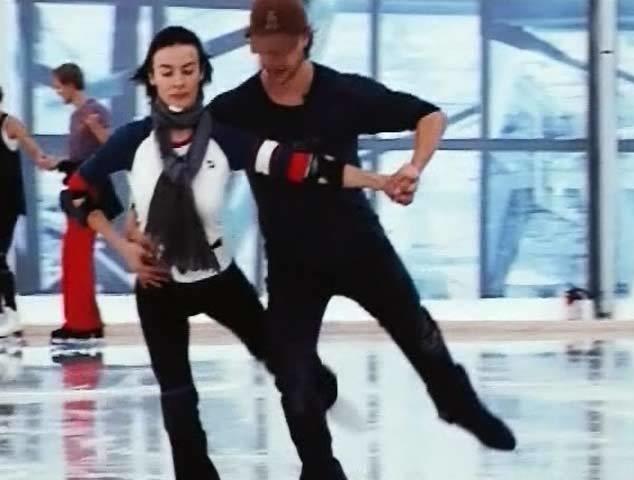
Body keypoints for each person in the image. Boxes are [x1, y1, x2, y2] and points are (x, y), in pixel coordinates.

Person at [61, 26, 399, 480]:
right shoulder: (131, 140)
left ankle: (321, 435)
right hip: (158, 285)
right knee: (178, 398)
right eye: (167, 72)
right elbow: (75, 193)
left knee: (288, 366)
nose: (178, 81)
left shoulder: (224, 137)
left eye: (187, 70)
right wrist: (121, 244)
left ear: (201, 73)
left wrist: (377, 181)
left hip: (220, 278)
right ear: (152, 78)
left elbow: (301, 166)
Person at [207, 1, 517, 477]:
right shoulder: (235, 109)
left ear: (305, 39)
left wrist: (414, 167)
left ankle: (457, 403)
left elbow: (430, 116)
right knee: (292, 374)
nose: (274, 62)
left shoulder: (343, 93)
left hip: (358, 246)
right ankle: (319, 466)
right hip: (291, 263)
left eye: (283, 50)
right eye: (264, 51)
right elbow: (184, 155)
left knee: (417, 331)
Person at [50, 63, 112, 345]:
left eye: (58, 86)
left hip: (89, 188)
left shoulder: (94, 110)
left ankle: (82, 325)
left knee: (77, 257)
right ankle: (86, 322)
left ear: (70, 84)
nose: (57, 91)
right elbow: (79, 158)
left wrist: (96, 127)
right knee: (74, 256)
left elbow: (110, 146)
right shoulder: (76, 116)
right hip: (77, 183)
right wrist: (58, 164)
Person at [0, 85, 57, 342]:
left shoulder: (8, 123)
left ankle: (12, 314)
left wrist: (43, 159)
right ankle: (6, 314)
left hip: (5, 204)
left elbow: (31, 147)